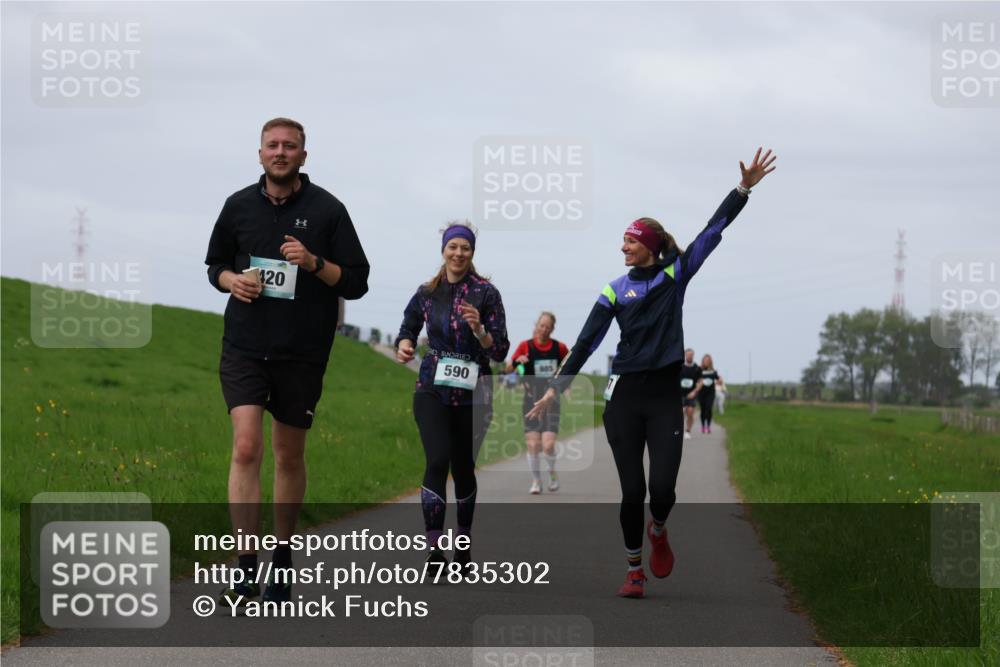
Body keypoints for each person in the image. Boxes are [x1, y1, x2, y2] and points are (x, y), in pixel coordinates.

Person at [528, 148, 776, 598]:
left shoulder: (675, 274)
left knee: (661, 490)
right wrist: (555, 389)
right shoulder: (613, 289)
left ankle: (658, 529)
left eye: (630, 240)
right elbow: (587, 342)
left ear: (650, 245)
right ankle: (634, 570)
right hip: (623, 396)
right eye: (622, 240)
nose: (623, 247)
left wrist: (743, 190)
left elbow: (711, 231)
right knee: (631, 490)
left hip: (664, 397)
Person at [205, 117, 370, 604]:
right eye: (272, 145)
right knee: (246, 447)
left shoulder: (328, 211)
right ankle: (244, 565)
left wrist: (314, 263)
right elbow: (215, 264)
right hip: (245, 345)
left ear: (303, 155)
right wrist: (231, 281)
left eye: (290, 146)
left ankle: (282, 555)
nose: (280, 152)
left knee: (288, 455)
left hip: (302, 350)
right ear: (259, 154)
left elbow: (357, 283)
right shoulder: (237, 206)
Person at [395, 221, 509, 574]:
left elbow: (501, 351)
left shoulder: (486, 293)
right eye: (453, 247)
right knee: (437, 459)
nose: (459, 253)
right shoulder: (427, 292)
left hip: (476, 393)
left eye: (466, 248)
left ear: (472, 253)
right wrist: (405, 344)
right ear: (443, 250)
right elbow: (407, 326)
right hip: (432, 388)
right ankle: (433, 550)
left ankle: (462, 543)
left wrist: (480, 331)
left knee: (463, 469)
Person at [507, 312, 570, 494]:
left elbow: (569, 366)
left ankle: (551, 473)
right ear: (536, 325)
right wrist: (517, 361)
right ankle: (536, 480)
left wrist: (566, 385)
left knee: (548, 444)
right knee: (533, 444)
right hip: (530, 401)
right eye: (541, 325)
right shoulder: (525, 346)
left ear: (552, 329)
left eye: (547, 327)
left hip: (551, 401)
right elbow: (508, 369)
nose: (544, 329)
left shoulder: (559, 348)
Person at [698, 354, 725, 433]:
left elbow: (719, 380)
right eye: (705, 360)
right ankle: (703, 426)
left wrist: (720, 380)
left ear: (710, 362)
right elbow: (695, 379)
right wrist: (699, 382)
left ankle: (708, 426)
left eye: (708, 360)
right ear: (703, 361)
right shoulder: (699, 370)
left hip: (710, 393)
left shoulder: (713, 371)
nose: (706, 362)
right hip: (701, 393)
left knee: (708, 408)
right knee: (703, 410)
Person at [680, 348, 703, 439]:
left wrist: (695, 392)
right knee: (680, 413)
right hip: (681, 394)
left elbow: (701, 381)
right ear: (685, 355)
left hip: (692, 394)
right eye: (688, 354)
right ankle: (679, 430)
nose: (689, 356)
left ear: (693, 355)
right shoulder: (680, 366)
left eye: (691, 355)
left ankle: (688, 430)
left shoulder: (697, 368)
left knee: (690, 412)